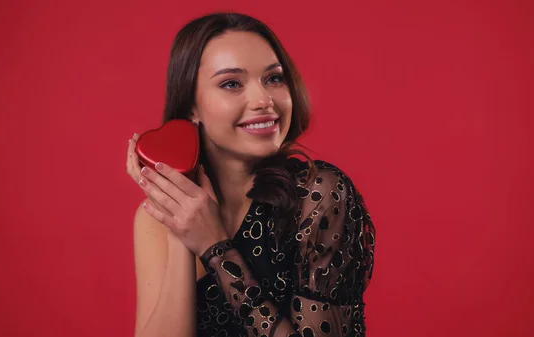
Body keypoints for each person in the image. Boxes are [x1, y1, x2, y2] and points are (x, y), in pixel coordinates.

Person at [126, 12, 376, 337]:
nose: (263, 100)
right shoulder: (154, 220)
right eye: (232, 83)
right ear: (191, 107)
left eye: (274, 78)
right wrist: (181, 232)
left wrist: (215, 246)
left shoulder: (318, 196)